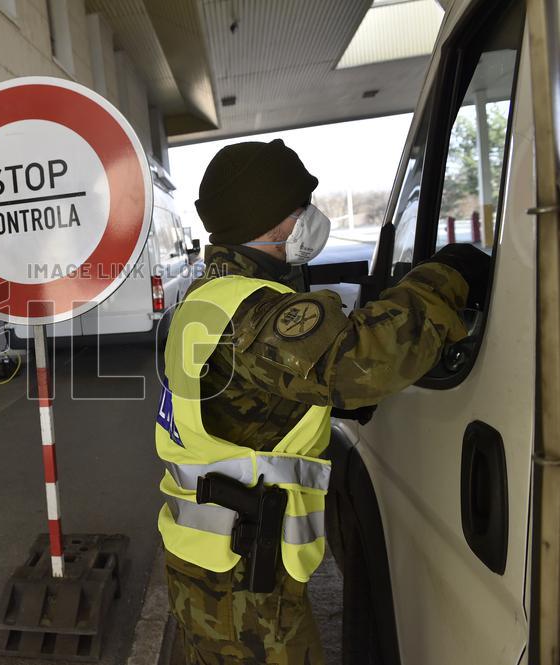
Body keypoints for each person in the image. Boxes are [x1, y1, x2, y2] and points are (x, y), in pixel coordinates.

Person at [156, 139, 489, 664]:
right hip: (246, 583)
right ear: (272, 223)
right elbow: (362, 363)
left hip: (208, 563)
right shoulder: (253, 311)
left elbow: (249, 401)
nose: (310, 218)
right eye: (299, 209)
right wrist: (448, 276)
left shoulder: (203, 300)